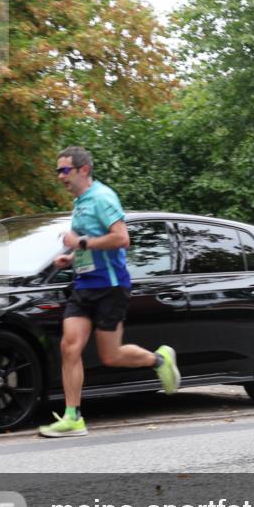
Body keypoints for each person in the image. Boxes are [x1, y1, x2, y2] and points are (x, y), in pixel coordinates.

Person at [38, 146, 181, 437]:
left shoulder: (103, 198)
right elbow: (87, 244)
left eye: (64, 170)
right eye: (58, 171)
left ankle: (160, 360)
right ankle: (73, 416)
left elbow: (121, 238)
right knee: (70, 346)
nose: (60, 176)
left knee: (111, 356)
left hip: (111, 287)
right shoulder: (80, 202)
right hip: (85, 285)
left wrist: (80, 245)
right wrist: (72, 257)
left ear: (83, 170)